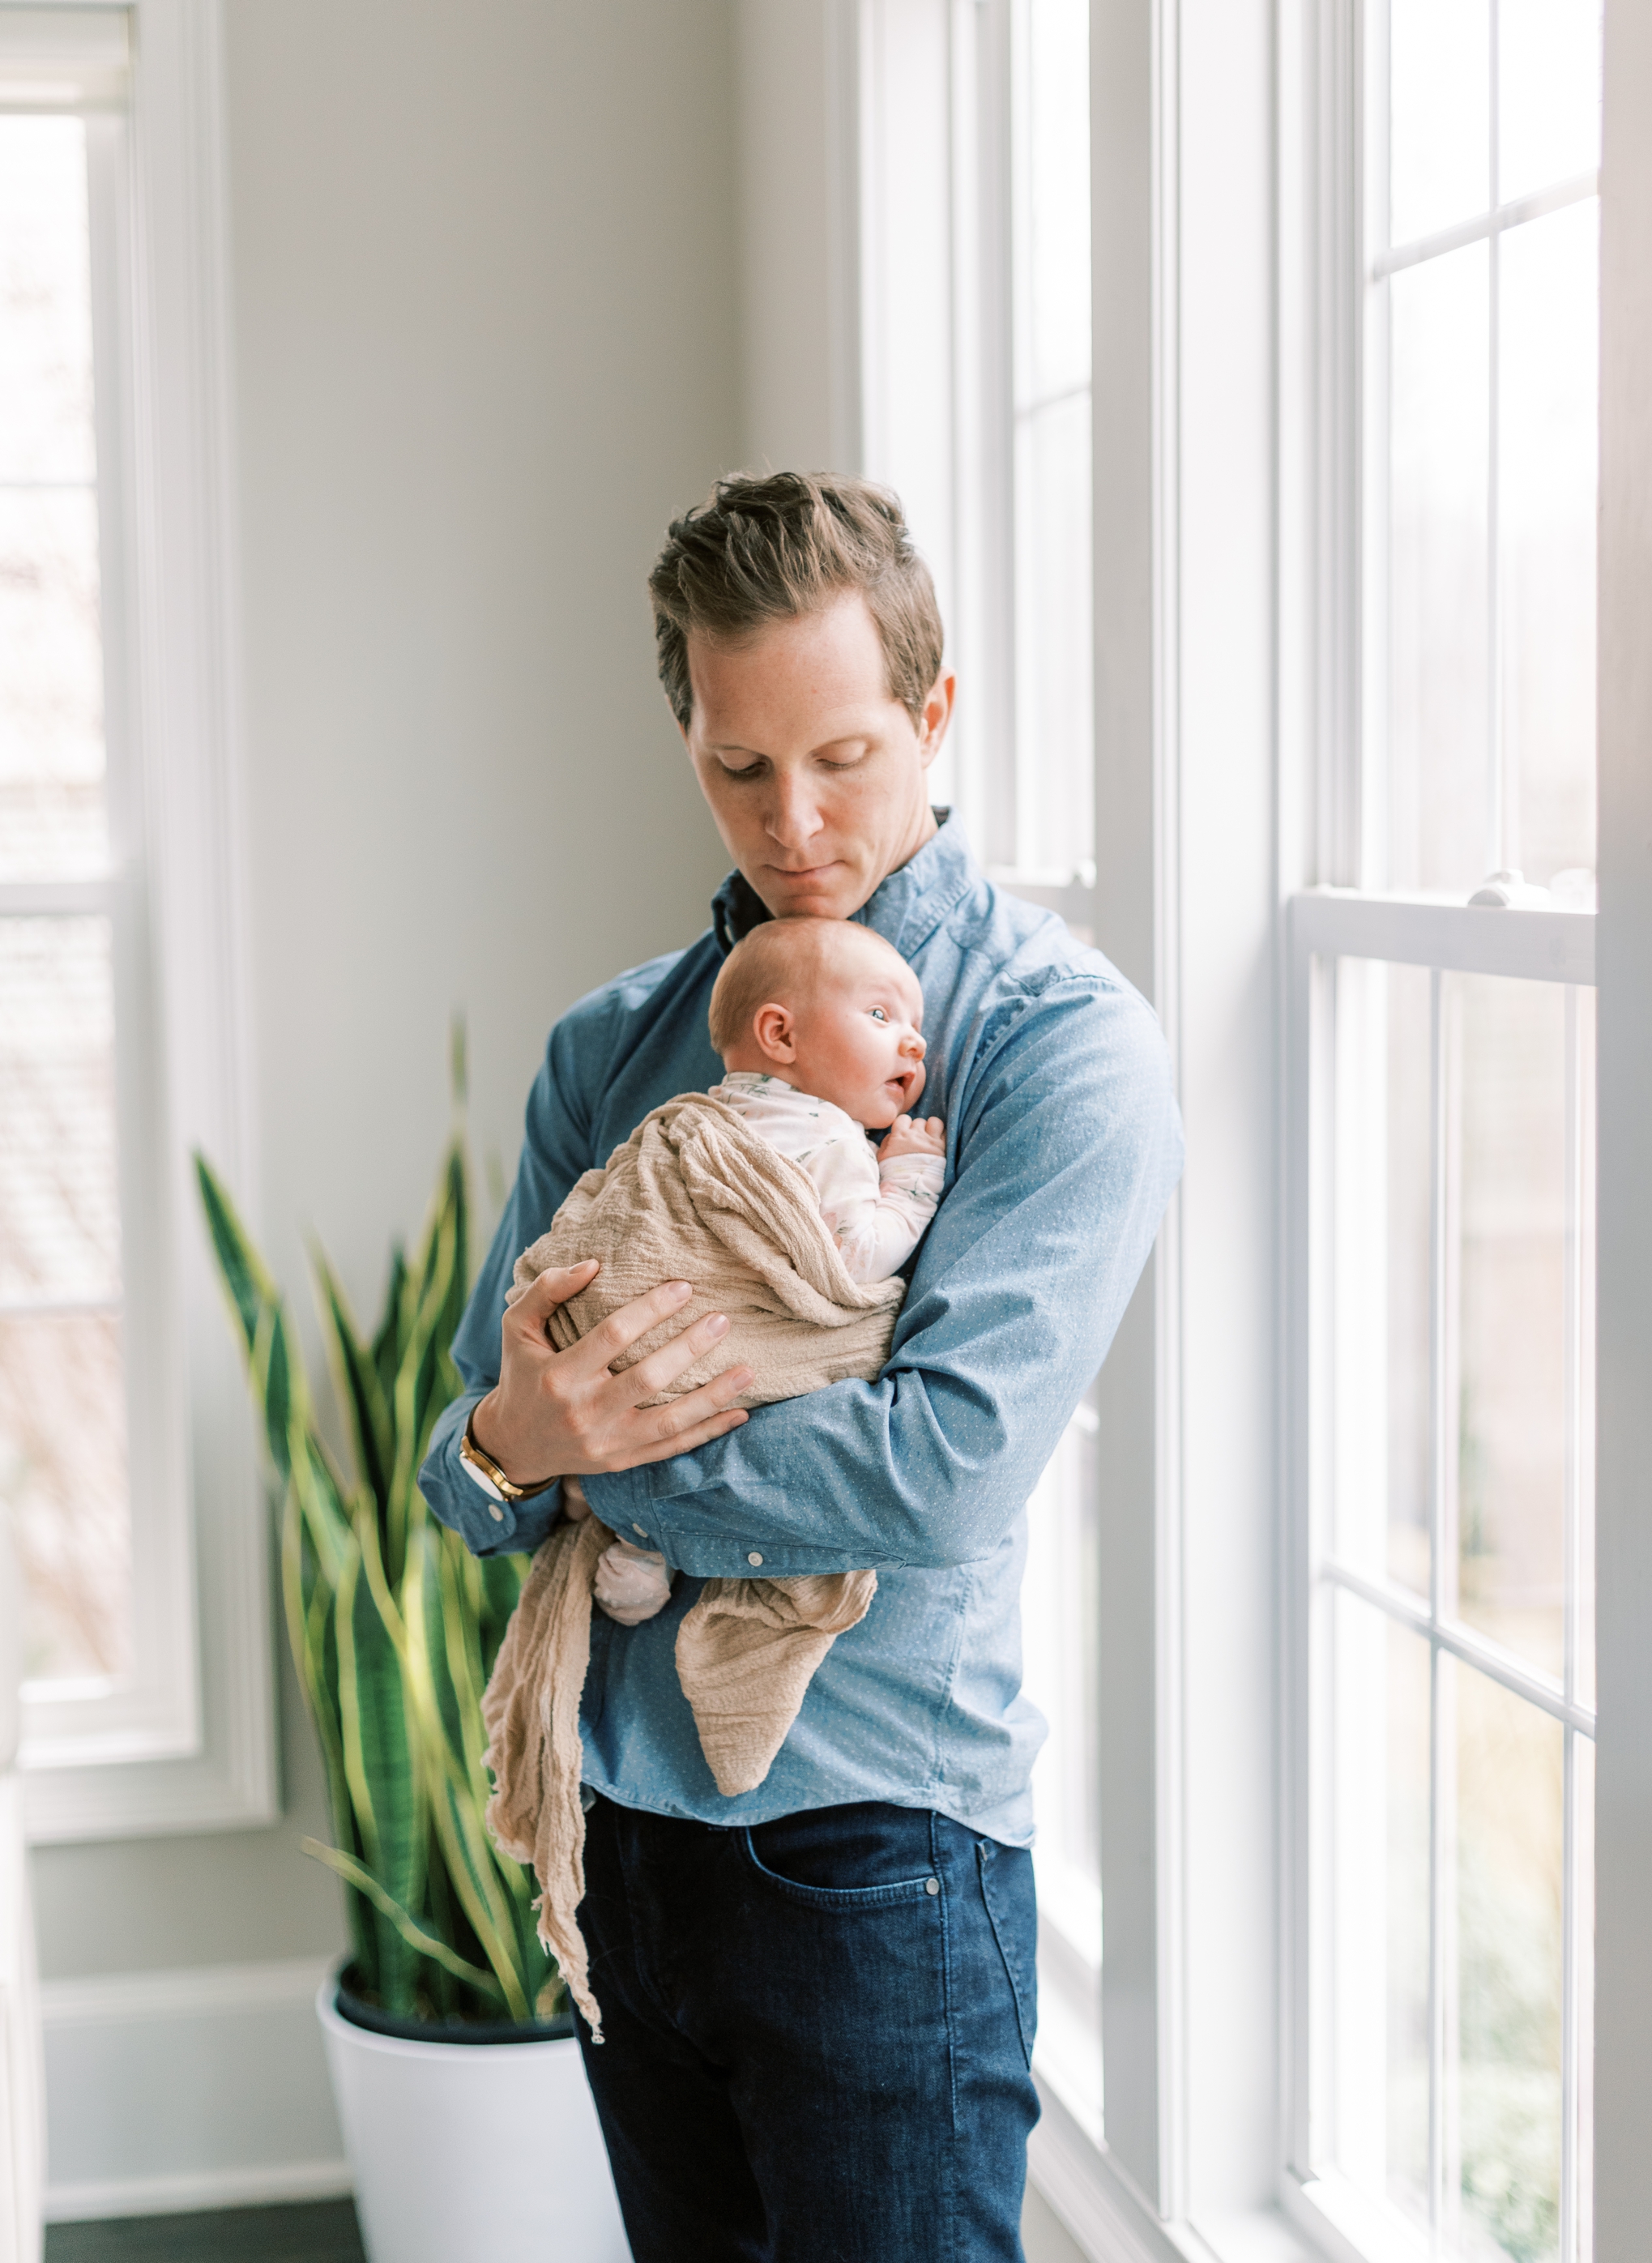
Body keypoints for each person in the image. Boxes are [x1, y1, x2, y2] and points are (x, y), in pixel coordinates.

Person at [419, 470, 1183, 2263]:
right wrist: (512, 1445)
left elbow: (940, 1471)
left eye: (841, 754)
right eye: (737, 766)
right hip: (620, 1858)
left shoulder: (1053, 1048)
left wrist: (585, 1458)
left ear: (931, 713)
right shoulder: (609, 1050)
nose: (797, 820)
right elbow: (462, 1460)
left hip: (877, 1872)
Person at [579, 914, 948, 1633]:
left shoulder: (709, 1115)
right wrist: (909, 1174)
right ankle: (657, 1541)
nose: (914, 1040)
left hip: (635, 1343)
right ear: (780, 1035)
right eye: (880, 1014)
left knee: (662, 1395)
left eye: (915, 1024)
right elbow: (856, 1259)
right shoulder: (830, 1135)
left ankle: (639, 1540)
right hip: (731, 1344)